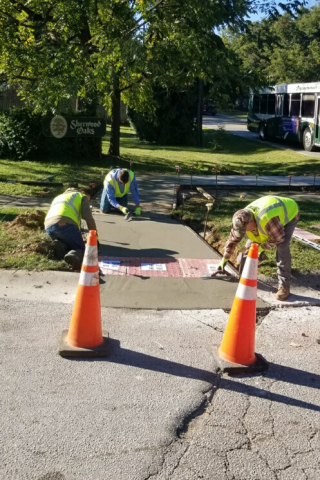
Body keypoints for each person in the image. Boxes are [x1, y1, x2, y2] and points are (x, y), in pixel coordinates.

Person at [216, 195, 300, 301]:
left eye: (244, 230)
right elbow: (233, 240)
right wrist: (224, 260)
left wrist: (260, 249)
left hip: (290, 212)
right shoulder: (240, 219)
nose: (243, 233)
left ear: (252, 222)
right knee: (247, 251)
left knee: (282, 248)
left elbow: (278, 238)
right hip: (267, 221)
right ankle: (246, 275)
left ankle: (284, 287)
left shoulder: (267, 219)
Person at [45, 187, 98, 270]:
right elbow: (88, 218)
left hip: (49, 226)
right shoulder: (81, 196)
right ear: (83, 192)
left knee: (69, 242)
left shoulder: (59, 197)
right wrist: (95, 237)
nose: (88, 202)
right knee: (82, 249)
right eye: (89, 199)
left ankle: (60, 245)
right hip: (65, 224)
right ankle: (73, 256)